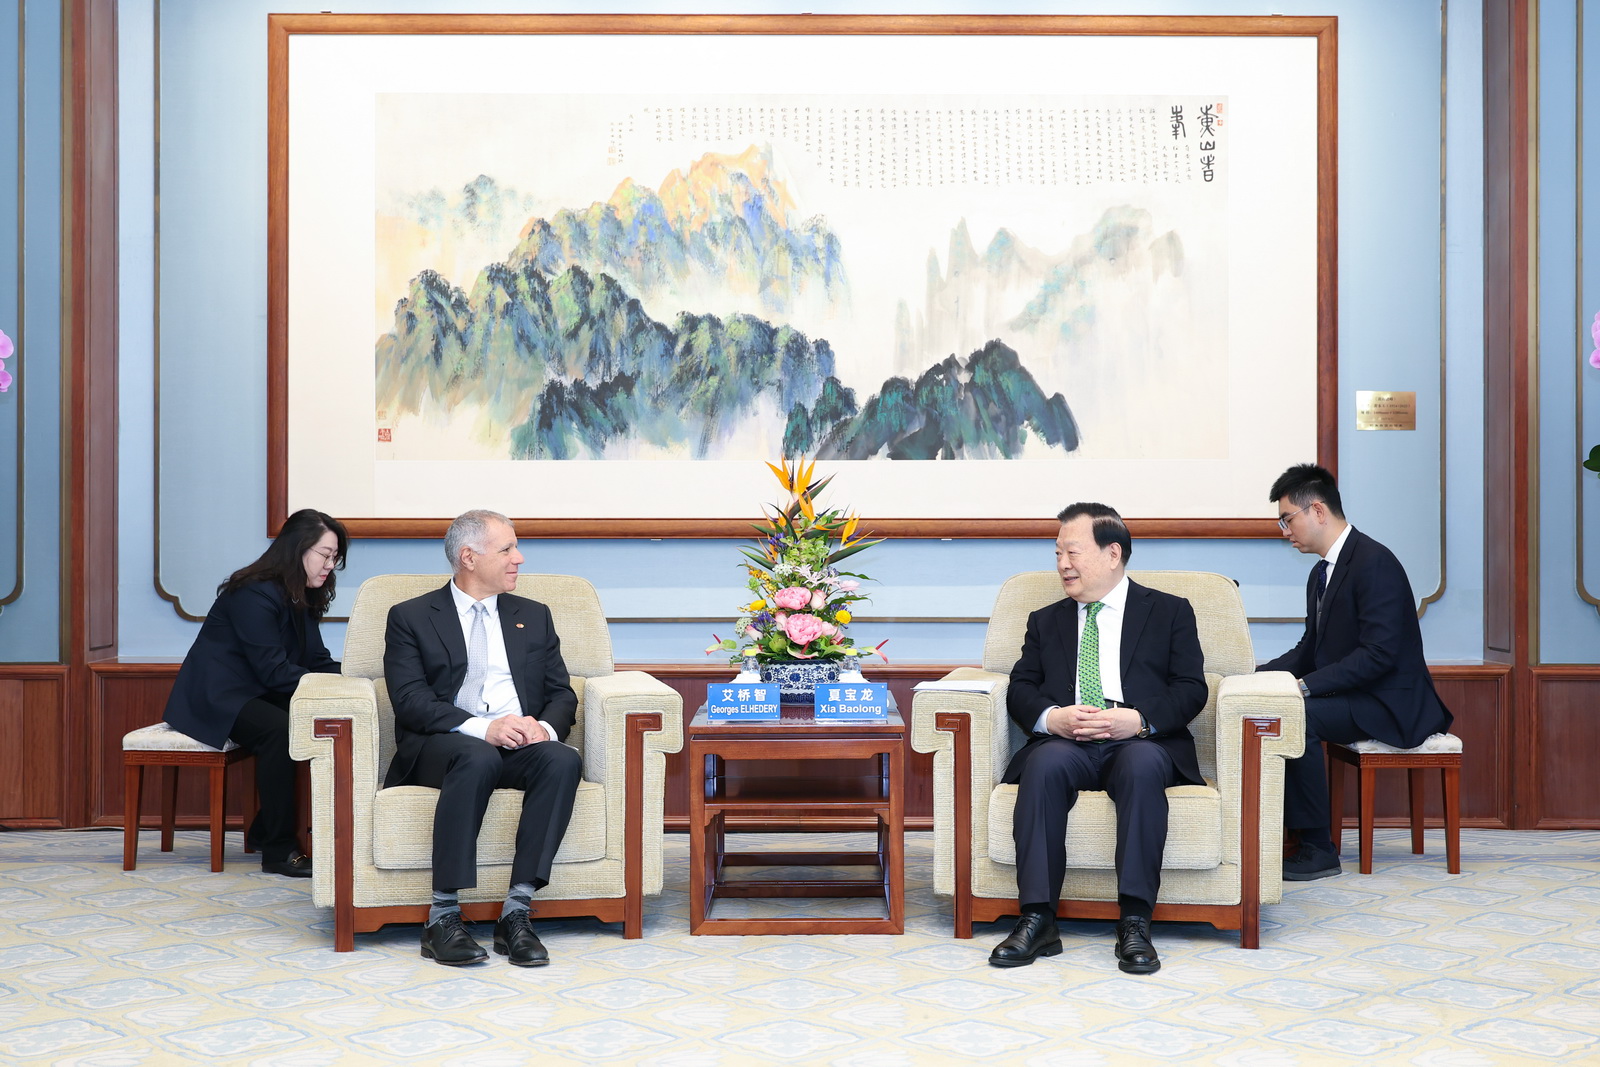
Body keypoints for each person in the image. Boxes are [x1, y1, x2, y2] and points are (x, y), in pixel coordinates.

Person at [992, 502, 1207, 975]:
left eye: (1072, 552)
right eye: (1057, 554)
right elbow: (1021, 687)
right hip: (1066, 744)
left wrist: (1140, 721)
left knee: (1142, 766)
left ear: (1113, 554)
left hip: (1139, 741)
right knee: (1043, 766)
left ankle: (1134, 921)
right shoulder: (1045, 620)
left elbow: (1192, 688)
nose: (1062, 564)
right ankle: (1037, 919)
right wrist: (1053, 718)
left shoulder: (1169, 611)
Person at [383, 509, 582, 967]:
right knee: (478, 756)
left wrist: (543, 729)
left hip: (516, 743)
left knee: (561, 759)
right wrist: (483, 727)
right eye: (507, 549)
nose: (519, 558)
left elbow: (561, 693)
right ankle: (442, 917)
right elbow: (410, 700)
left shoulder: (533, 615)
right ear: (469, 557)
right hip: (444, 744)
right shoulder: (411, 616)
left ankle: (516, 912)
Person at [1260, 463, 1453, 880]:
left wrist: (1304, 688)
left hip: (1391, 702)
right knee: (1277, 708)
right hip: (1357, 695)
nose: (1284, 531)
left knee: (1298, 715)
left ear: (1317, 510)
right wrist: (1254, 676)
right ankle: (1288, 838)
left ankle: (1317, 848)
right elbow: (1309, 649)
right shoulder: (1321, 572)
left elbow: (1379, 655)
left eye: (1287, 519)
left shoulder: (1374, 562)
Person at [163, 508, 347, 878]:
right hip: (219, 695)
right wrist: (331, 684)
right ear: (298, 549)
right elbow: (273, 671)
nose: (330, 566)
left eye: (335, 558)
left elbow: (317, 659)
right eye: (326, 555)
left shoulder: (300, 593)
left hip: (257, 690)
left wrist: (358, 680)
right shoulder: (253, 593)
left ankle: (264, 829)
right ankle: (278, 851)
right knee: (279, 730)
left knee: (326, 719)